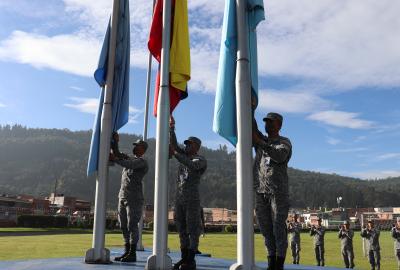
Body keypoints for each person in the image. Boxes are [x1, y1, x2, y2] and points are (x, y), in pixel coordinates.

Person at [252, 112, 292, 270]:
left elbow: (280, 156)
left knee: (277, 228)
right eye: (266, 122)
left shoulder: (284, 142)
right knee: (265, 228)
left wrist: (261, 143)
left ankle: (279, 264)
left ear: (279, 125)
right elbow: (252, 127)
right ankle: (271, 262)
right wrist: (250, 109)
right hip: (261, 192)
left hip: (277, 193)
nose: (268, 124)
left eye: (271, 122)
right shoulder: (263, 140)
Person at [169, 116, 207, 270]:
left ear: (196, 146)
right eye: (187, 144)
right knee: (182, 229)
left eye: (190, 144)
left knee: (192, 229)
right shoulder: (183, 155)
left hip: (192, 199)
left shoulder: (200, 159)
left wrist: (176, 154)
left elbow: (191, 165)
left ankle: (191, 260)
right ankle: (184, 258)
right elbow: (174, 146)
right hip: (180, 198)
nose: (187, 146)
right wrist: (172, 128)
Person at [110, 139, 149, 262]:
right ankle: (126, 251)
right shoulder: (129, 158)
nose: (135, 147)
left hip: (134, 198)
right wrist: (114, 142)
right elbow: (118, 153)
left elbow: (129, 164)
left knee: (132, 225)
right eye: (135, 145)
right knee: (122, 225)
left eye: (137, 146)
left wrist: (115, 159)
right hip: (123, 196)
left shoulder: (142, 162)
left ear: (143, 149)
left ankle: (132, 253)